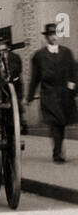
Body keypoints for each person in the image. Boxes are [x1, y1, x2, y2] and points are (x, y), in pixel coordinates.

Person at [28, 23, 77, 163]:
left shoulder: (66, 52)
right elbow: (35, 78)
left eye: (55, 34)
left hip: (64, 95)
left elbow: (74, 71)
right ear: (46, 38)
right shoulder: (39, 56)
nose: (53, 37)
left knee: (61, 124)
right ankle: (57, 153)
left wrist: (73, 87)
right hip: (49, 94)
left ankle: (59, 148)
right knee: (54, 124)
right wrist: (30, 97)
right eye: (50, 35)